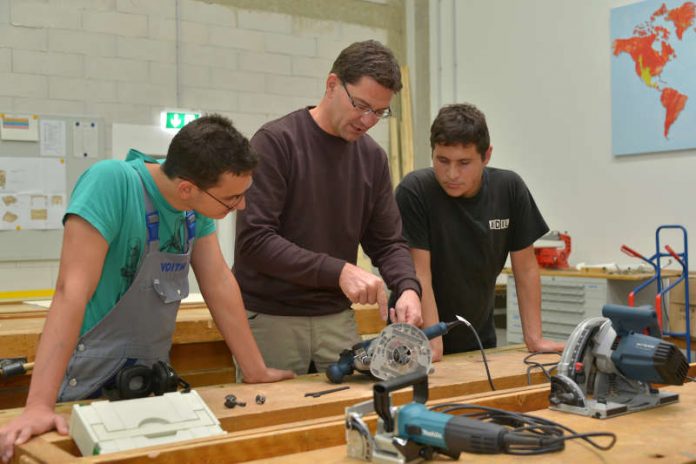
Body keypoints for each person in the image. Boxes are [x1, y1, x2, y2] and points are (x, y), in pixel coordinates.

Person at [0, 114, 293, 462]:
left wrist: (254, 370)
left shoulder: (193, 209)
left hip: (146, 380)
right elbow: (70, 292)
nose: (241, 206)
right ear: (187, 187)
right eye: (232, 199)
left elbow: (218, 282)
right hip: (83, 380)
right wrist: (38, 405)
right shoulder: (112, 184)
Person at [233, 40, 423, 376]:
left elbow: (387, 242)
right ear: (332, 84)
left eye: (379, 112)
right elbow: (256, 241)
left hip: (335, 317)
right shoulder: (276, 142)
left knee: (347, 416)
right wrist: (340, 271)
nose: (367, 121)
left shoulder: (372, 159)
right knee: (274, 419)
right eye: (361, 105)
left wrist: (407, 287)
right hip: (270, 319)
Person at [395, 103, 564, 360]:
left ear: (486, 156)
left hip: (478, 338)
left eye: (464, 163)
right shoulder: (415, 191)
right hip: (420, 338)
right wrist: (432, 341)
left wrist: (535, 338)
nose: (451, 174)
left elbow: (526, 268)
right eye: (442, 161)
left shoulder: (509, 189)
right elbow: (420, 273)